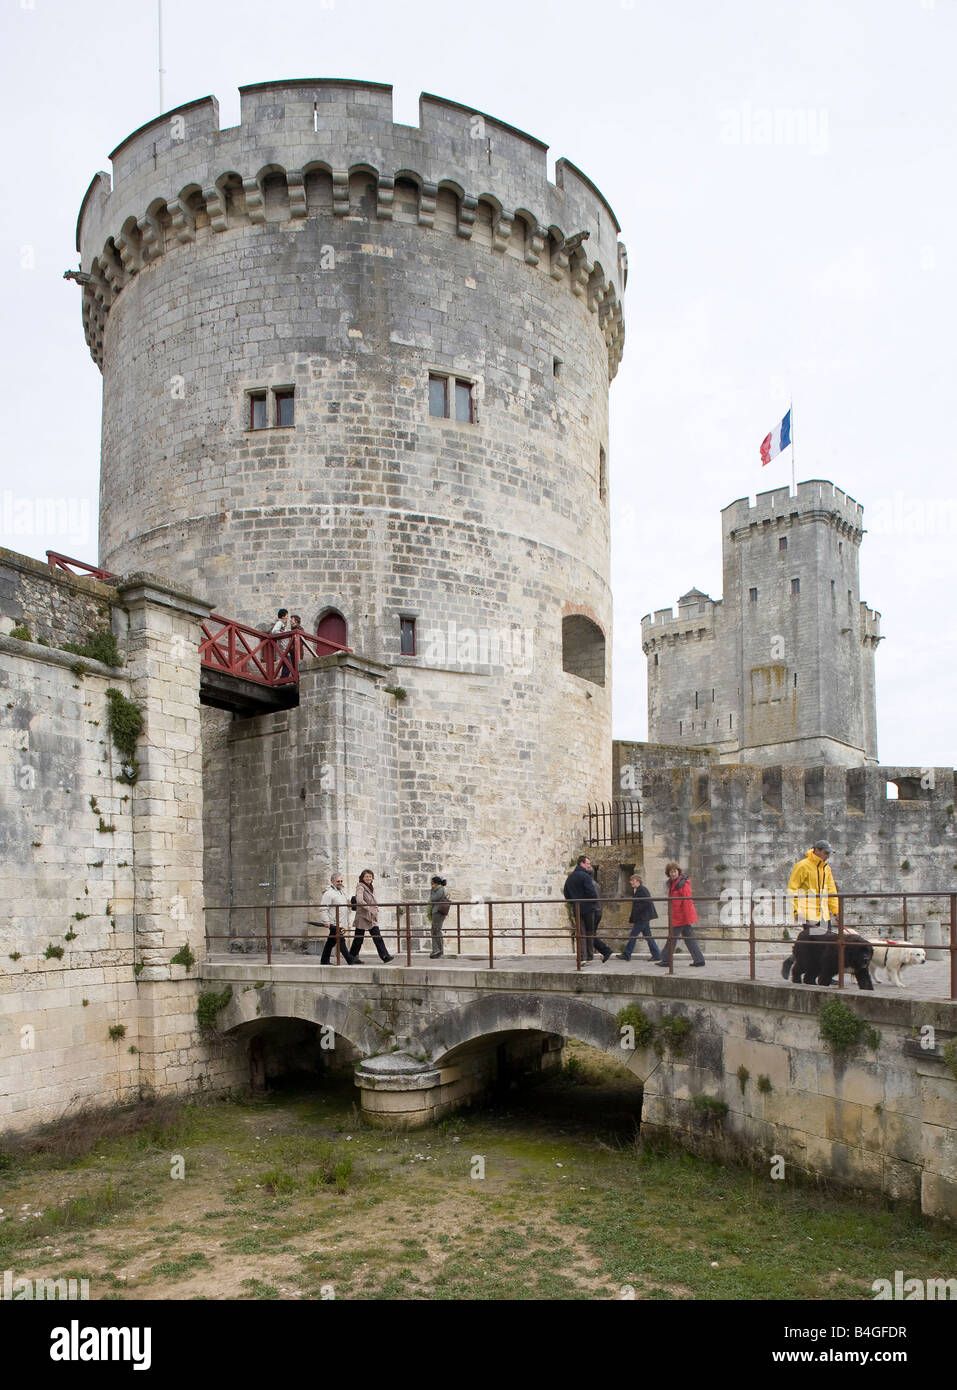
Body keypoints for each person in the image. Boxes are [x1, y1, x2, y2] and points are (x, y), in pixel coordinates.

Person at [783, 840, 841, 984]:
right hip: (808, 912)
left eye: (829, 853)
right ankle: (809, 973)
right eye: (826, 853)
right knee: (813, 944)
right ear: (817, 850)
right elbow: (793, 888)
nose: (828, 856)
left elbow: (831, 891)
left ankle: (795, 963)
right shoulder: (802, 866)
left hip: (823, 912)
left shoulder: (826, 869)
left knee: (825, 944)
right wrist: (796, 910)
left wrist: (836, 911)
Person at [562, 855, 612, 963]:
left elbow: (566, 893)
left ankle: (582, 958)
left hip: (577, 908)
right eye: (588, 863)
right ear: (582, 863)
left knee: (581, 933)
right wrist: (592, 903)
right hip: (588, 909)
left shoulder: (570, 878)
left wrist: (573, 903)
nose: (589, 865)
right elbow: (591, 892)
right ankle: (592, 955)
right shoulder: (585, 877)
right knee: (589, 933)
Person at [656, 861, 705, 967]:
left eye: (674, 871)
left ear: (678, 872)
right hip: (678, 915)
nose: (673, 874)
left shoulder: (683, 883)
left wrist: (687, 917)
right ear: (668, 873)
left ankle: (666, 959)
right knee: (689, 938)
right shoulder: (673, 883)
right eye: (671, 872)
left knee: (671, 938)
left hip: (681, 916)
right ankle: (699, 960)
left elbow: (687, 901)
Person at [308, 873, 354, 964]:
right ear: (332, 881)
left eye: (341, 881)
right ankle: (350, 960)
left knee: (331, 942)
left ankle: (324, 960)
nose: (340, 883)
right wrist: (326, 921)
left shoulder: (341, 892)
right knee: (341, 941)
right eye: (338, 881)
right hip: (334, 923)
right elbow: (323, 908)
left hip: (341, 922)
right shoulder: (328, 893)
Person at [349, 870, 394, 963]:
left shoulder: (369, 887)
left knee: (374, 937)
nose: (369, 878)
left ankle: (384, 956)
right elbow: (360, 900)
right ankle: (352, 957)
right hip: (363, 916)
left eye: (370, 876)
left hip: (369, 916)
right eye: (366, 876)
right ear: (362, 878)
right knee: (360, 939)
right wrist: (369, 908)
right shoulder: (360, 887)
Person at [619, 873, 662, 962]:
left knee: (633, 935)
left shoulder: (642, 889)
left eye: (633, 881)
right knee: (648, 936)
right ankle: (657, 954)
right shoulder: (639, 890)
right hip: (643, 917)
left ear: (638, 881)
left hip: (642, 917)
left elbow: (647, 902)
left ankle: (627, 954)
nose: (631, 883)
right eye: (631, 881)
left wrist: (637, 910)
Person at [427, 875, 451, 958]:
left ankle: (438, 950)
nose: (431, 885)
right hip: (436, 912)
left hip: (438, 912)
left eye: (432, 884)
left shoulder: (440, 889)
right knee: (435, 930)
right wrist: (432, 890)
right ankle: (437, 950)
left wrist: (432, 890)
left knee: (436, 930)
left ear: (436, 883)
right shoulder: (437, 889)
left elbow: (434, 898)